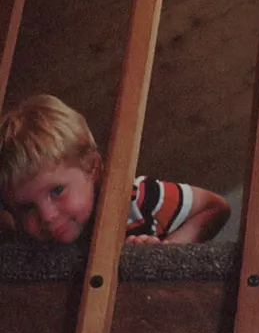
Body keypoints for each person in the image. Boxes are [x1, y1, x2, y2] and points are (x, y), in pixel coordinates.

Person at [0, 94, 230, 245]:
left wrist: (169, 250)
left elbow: (215, 207)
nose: (47, 216)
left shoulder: (135, 197)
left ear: (93, 168)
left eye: (57, 190)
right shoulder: (24, 235)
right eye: (27, 207)